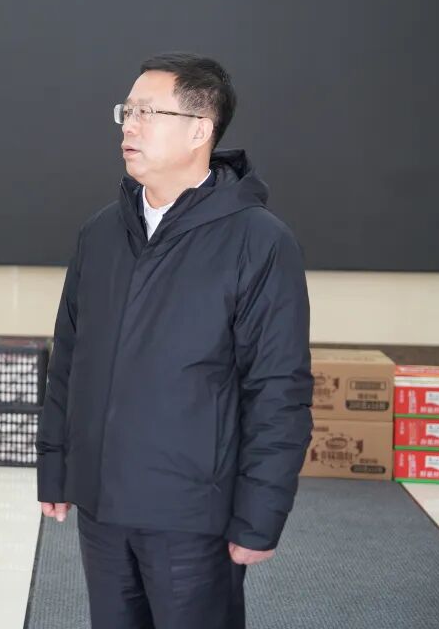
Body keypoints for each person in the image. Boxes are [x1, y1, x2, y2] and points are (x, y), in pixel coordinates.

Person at [36, 53, 314, 629]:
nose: (129, 126)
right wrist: (56, 467)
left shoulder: (259, 241)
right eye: (127, 111)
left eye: (147, 112)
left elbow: (277, 389)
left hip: (193, 514)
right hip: (101, 505)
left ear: (198, 130)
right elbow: (69, 360)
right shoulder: (101, 233)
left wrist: (260, 514)